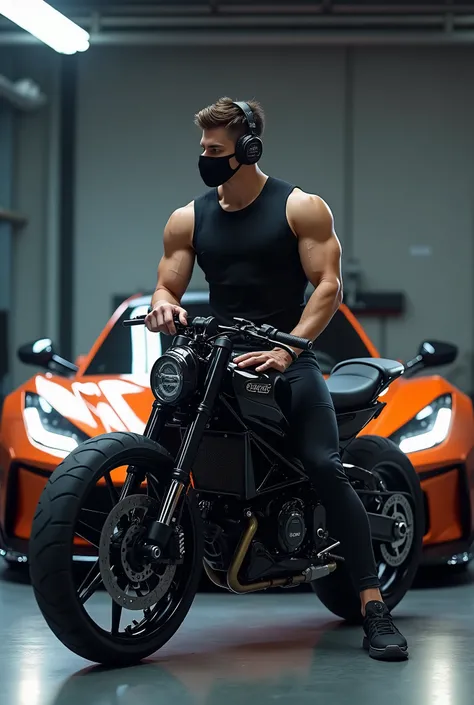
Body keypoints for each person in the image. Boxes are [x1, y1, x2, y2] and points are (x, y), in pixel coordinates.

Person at [145, 96, 408, 661]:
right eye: (202, 149)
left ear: (248, 149)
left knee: (321, 465)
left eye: (215, 150)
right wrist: (163, 303)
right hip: (217, 353)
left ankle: (372, 605)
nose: (205, 158)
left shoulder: (300, 208)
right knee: (164, 433)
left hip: (289, 356)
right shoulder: (187, 218)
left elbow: (327, 287)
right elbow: (166, 284)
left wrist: (289, 350)